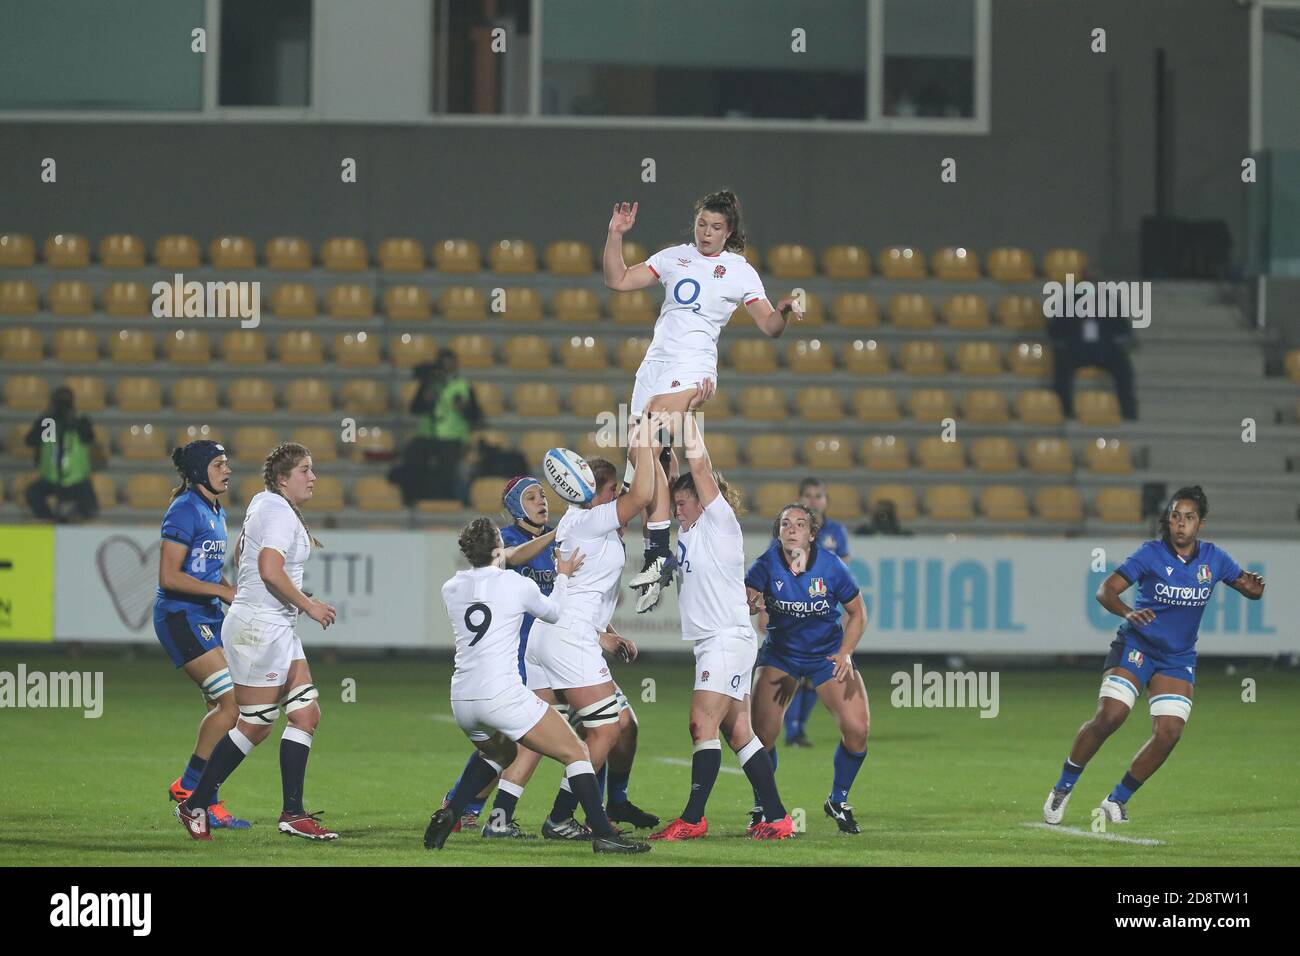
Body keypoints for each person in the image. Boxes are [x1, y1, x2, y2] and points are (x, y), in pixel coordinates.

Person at [602, 190, 804, 612]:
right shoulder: (674, 256)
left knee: (650, 436)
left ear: (729, 231)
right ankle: (658, 551)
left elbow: (769, 326)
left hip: (693, 366)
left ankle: (658, 555)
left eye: (715, 227)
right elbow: (617, 280)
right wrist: (615, 235)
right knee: (649, 462)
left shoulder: (738, 270)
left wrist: (782, 311)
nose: (707, 233)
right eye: (701, 225)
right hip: (653, 365)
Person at [441, 476, 659, 837]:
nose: (541, 500)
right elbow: (514, 564)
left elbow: (576, 601)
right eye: (530, 496)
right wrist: (557, 538)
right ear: (513, 507)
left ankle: (496, 815)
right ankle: (470, 806)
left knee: (574, 734)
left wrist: (604, 632)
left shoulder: (568, 536)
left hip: (549, 649)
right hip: (526, 655)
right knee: (574, 733)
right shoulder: (508, 542)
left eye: (543, 494)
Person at [1043, 485, 1265, 825]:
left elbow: (1246, 586)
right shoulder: (1150, 553)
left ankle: (1117, 800)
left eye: (1189, 518)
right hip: (1137, 647)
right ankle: (1063, 786)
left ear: (1199, 524)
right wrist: (1128, 613)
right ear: (1169, 519)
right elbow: (1106, 590)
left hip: (1177, 658)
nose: (1180, 524)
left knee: (1169, 733)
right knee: (1111, 716)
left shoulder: (1215, 559)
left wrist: (1254, 589)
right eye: (1176, 516)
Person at [174, 442, 340, 841]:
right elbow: (269, 569)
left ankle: (293, 814)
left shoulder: (265, 503)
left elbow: (245, 554)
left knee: (305, 714)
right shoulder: (278, 511)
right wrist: (309, 605)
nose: (312, 477)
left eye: (312, 469)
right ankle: (195, 802)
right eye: (304, 470)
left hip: (272, 625)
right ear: (283, 479)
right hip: (259, 630)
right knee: (256, 724)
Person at [649, 411, 793, 841]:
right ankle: (778, 817)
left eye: (683, 503)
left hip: (726, 639)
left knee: (700, 723)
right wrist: (661, 458)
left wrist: (687, 417)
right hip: (715, 641)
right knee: (738, 732)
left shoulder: (720, 522)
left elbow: (699, 467)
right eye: (675, 505)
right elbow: (672, 478)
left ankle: (693, 818)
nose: (677, 510)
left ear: (703, 500)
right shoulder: (690, 530)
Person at [524, 418, 660, 840]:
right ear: (594, 494)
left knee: (621, 723)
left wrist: (608, 633)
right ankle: (562, 817)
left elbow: (590, 592)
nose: (618, 495)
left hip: (566, 635)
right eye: (612, 489)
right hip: (569, 640)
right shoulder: (591, 520)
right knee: (605, 728)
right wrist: (644, 441)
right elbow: (642, 494)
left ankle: (602, 804)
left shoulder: (581, 520)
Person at [746, 503, 871, 835]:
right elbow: (743, 602)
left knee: (857, 730)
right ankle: (763, 805)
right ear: (779, 532)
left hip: (826, 655)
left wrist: (845, 653)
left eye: (800, 524)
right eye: (785, 523)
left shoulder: (830, 567)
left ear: (812, 535)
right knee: (762, 736)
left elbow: (859, 613)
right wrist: (749, 604)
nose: (791, 529)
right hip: (781, 656)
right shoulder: (765, 564)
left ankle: (838, 800)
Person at [154, 440, 249, 830]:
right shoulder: (184, 509)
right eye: (218, 464)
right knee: (233, 705)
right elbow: (169, 576)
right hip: (180, 617)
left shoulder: (215, 508)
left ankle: (204, 798)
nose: (227, 470)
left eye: (227, 463)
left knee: (224, 707)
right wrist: (223, 592)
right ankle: (192, 790)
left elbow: (207, 573)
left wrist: (231, 595)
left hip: (206, 616)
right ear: (198, 471)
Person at [782, 477, 851, 747]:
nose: (813, 500)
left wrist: (846, 609)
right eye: (808, 495)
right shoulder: (788, 530)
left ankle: (798, 729)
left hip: (824, 614)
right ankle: (792, 730)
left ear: (826, 500)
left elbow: (844, 576)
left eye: (818, 495)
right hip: (793, 610)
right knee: (793, 673)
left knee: (814, 676)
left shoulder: (837, 532)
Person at [393, 349, 482, 503]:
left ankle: (445, 499)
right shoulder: (428, 384)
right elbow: (415, 408)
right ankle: (414, 497)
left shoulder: (464, 386)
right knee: (412, 456)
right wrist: (425, 400)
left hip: (453, 438)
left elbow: (476, 415)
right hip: (426, 436)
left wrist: (464, 409)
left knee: (447, 465)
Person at [23, 385, 99, 522]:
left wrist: (73, 422)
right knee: (33, 493)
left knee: (91, 508)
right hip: (52, 477)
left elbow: (89, 438)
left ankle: (72, 521)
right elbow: (31, 441)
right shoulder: (48, 423)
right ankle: (49, 520)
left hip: (76, 478)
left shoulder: (80, 420)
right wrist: (46, 419)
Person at [1049, 312, 1138, 421]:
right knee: (1062, 362)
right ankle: (1064, 408)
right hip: (1077, 349)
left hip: (1104, 349)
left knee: (1122, 364)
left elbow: (1124, 329)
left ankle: (1127, 408)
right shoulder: (1068, 304)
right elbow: (1055, 330)